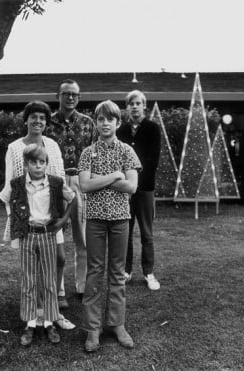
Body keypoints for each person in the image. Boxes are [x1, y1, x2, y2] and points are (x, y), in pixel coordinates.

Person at [0, 144, 76, 346]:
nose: (38, 166)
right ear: (26, 163)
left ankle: (48, 323)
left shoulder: (55, 183)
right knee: (28, 280)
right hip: (27, 236)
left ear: (46, 163)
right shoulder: (18, 184)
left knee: (49, 280)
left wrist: (63, 221)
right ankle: (29, 324)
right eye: (33, 162)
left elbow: (73, 198)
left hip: (48, 236)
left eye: (42, 162)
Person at [78, 100, 141, 352]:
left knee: (117, 272)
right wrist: (116, 176)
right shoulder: (87, 152)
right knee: (94, 272)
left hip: (120, 218)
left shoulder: (127, 151)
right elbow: (84, 185)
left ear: (118, 122)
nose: (105, 123)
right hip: (94, 219)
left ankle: (117, 324)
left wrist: (99, 180)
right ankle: (93, 329)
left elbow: (132, 187)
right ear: (96, 122)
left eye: (110, 119)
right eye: (100, 119)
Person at [45, 79, 96, 302]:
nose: (71, 97)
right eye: (66, 94)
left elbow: (96, 154)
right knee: (56, 236)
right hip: (55, 181)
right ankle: (58, 289)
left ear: (79, 97)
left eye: (75, 94)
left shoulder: (88, 123)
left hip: (80, 181)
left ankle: (82, 286)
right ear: (58, 96)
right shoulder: (47, 123)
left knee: (82, 236)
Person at [117, 90, 162, 291]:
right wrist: (126, 184)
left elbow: (153, 160)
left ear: (144, 105)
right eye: (131, 103)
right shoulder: (121, 130)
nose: (134, 106)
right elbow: (118, 160)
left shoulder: (153, 128)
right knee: (125, 231)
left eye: (138, 103)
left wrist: (136, 182)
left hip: (144, 188)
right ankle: (126, 271)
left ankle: (148, 273)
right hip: (125, 190)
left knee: (146, 233)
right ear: (127, 107)